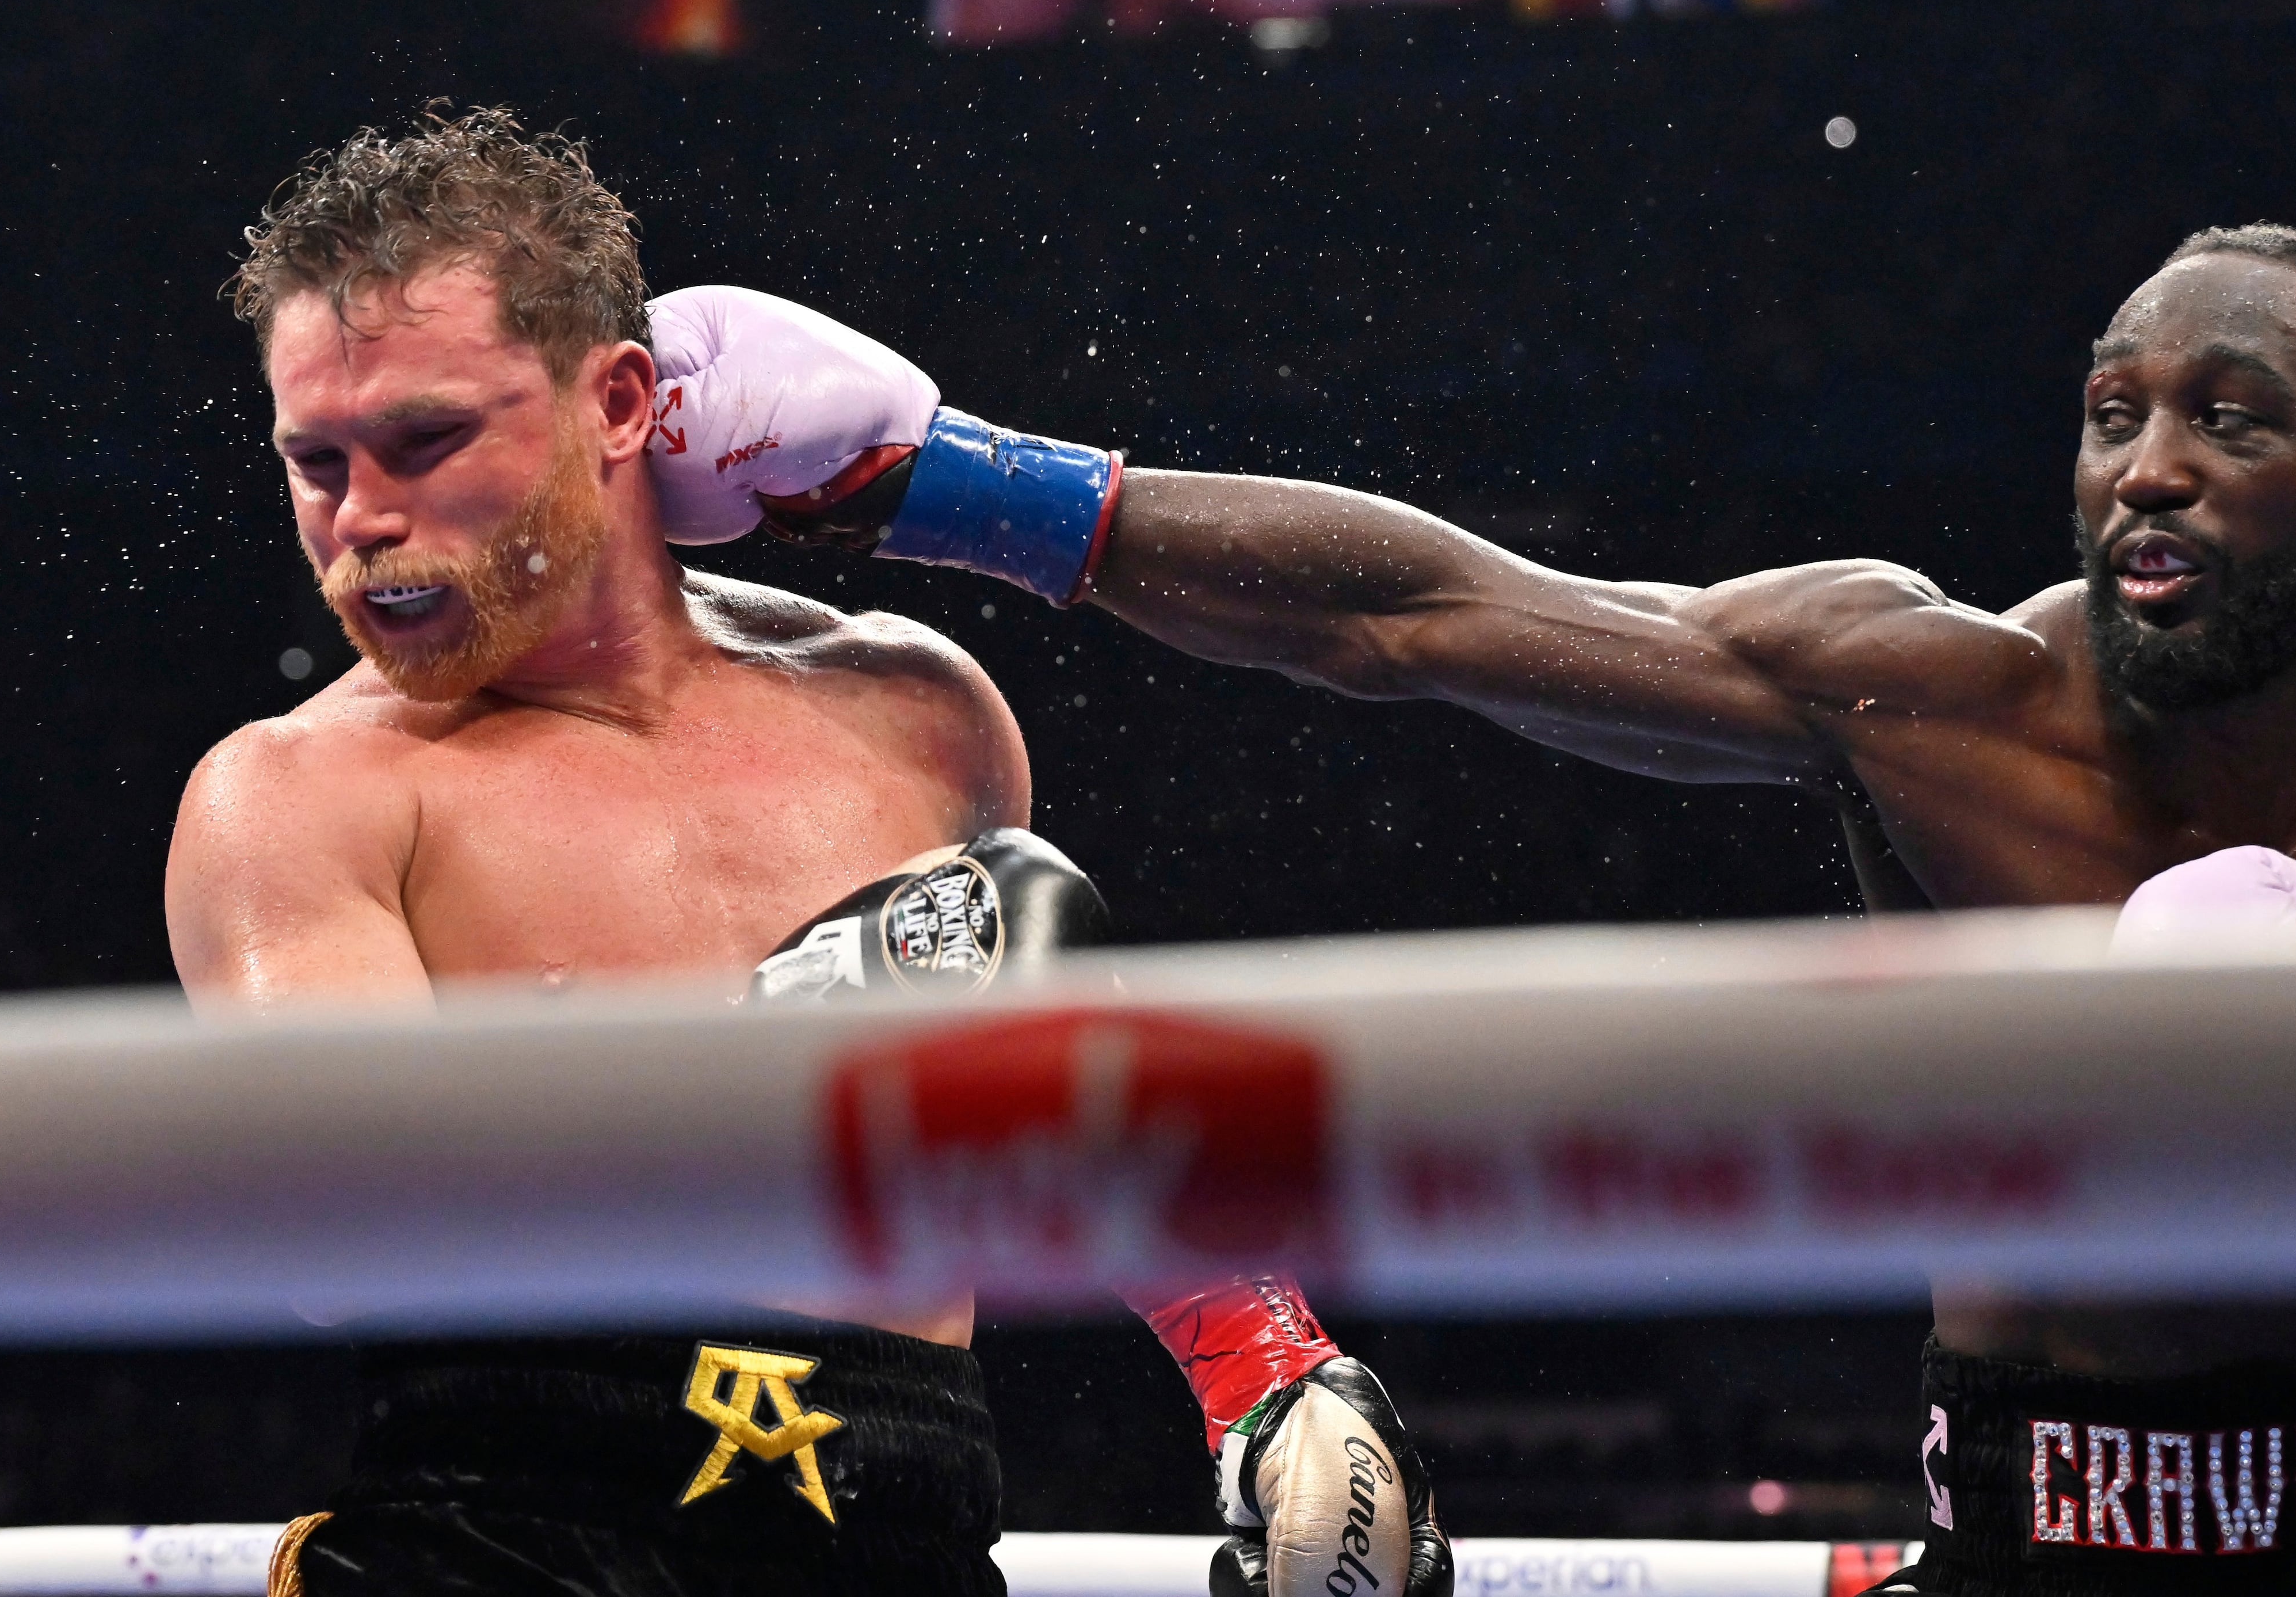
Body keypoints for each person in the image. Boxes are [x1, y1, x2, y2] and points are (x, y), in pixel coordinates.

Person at [685, 224, 2296, 1593]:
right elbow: (1428, 615)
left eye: (2230, 419)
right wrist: (938, 483)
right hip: (2030, 1547)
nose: (2144, 471)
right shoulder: (1946, 703)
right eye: (2110, 411)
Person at [162, 108, 1444, 1597]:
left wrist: (1263, 1367)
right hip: (506, 1546)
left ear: (622, 403)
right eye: (314, 461)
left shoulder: (919, 716)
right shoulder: (296, 797)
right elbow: (336, 1240)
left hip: (901, 1543)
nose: (362, 522)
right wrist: (760, 1061)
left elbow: (1049, 1097)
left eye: (429, 441)